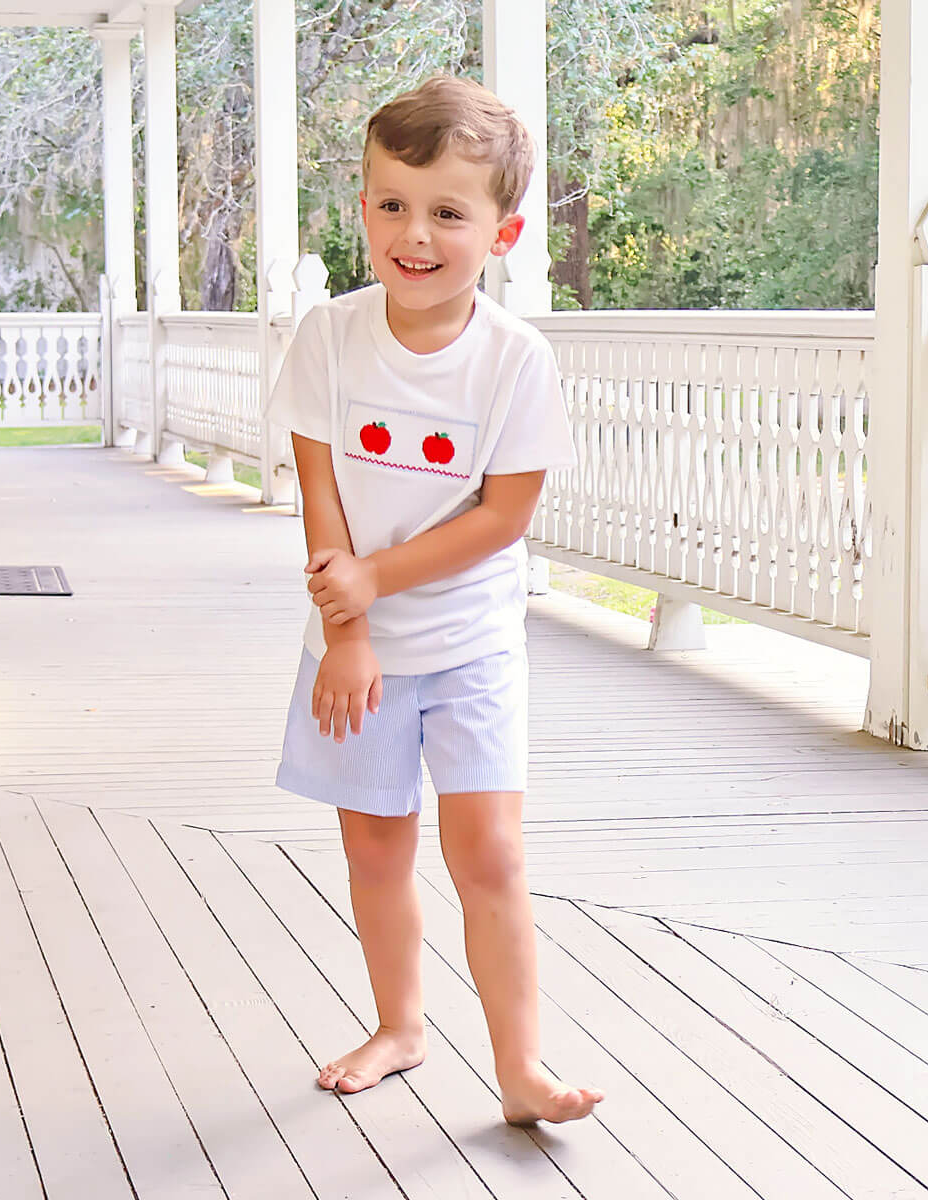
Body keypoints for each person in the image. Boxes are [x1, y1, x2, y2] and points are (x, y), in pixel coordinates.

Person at [265, 74, 603, 1126]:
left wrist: (376, 581)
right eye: (393, 205)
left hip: (470, 645)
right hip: (356, 644)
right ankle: (401, 1026)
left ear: (499, 232)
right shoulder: (327, 337)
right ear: (364, 207)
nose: (416, 235)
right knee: (375, 845)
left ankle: (521, 1068)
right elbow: (322, 498)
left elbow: (502, 518)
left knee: (488, 851)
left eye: (448, 213)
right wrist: (348, 630)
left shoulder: (515, 361)